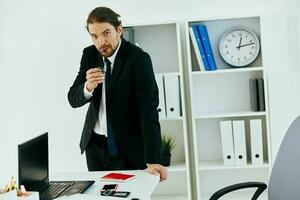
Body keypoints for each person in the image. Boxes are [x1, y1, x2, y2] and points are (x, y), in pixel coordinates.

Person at [67, 7, 167, 181]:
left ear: (119, 30)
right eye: (94, 36)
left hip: (126, 149)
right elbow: (72, 99)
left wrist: (153, 159)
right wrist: (88, 87)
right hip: (94, 147)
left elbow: (149, 110)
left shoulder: (138, 59)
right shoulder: (89, 54)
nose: (100, 42)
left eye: (106, 33)